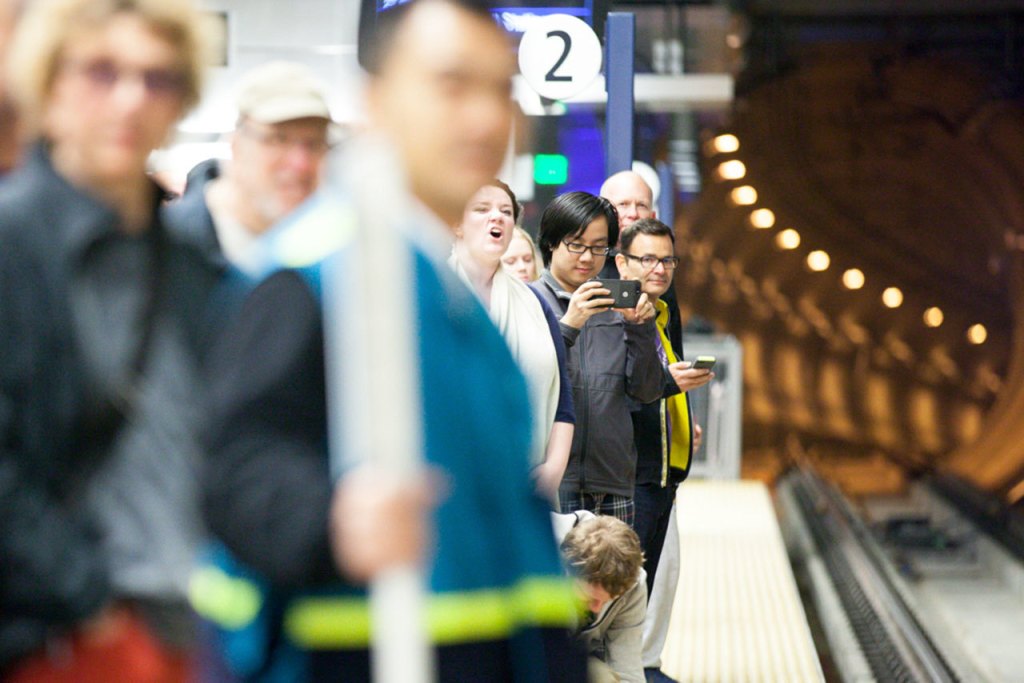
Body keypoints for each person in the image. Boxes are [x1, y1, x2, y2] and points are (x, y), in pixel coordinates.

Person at [201, 0, 587, 680]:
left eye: (501, 90)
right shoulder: (316, 273)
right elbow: (230, 464)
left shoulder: (448, 292)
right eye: (451, 85)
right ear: (375, 103)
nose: (484, 116)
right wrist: (328, 522)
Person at [0, 0, 215, 679]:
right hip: (60, 632)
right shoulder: (14, 245)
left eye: (158, 78)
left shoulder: (190, 264)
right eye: (101, 71)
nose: (130, 100)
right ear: (50, 85)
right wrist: (89, 600)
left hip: (187, 623)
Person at [615, 218, 712, 683]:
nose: (659, 268)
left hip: (662, 479)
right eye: (647, 259)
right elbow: (622, 390)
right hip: (630, 477)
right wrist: (670, 383)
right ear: (622, 263)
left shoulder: (661, 313)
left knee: (643, 594)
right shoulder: (613, 316)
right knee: (620, 595)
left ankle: (635, 671)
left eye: (667, 259)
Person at [532, 191, 664, 526]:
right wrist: (569, 326)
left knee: (618, 578)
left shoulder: (616, 307)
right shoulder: (529, 302)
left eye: (598, 246)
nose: (587, 257)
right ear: (550, 243)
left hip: (613, 482)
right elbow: (527, 380)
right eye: (576, 244)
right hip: (553, 479)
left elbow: (646, 391)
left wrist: (641, 330)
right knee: (558, 579)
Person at [450, 180, 574, 500]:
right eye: (482, 209)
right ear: (457, 223)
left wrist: (553, 469)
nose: (498, 218)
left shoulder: (534, 304)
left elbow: (563, 402)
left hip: (526, 484)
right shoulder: (431, 291)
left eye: (506, 212)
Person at [164, 60, 334, 279]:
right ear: (236, 146)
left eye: (314, 144)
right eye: (278, 139)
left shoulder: (329, 256)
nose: (301, 163)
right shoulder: (170, 246)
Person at [554, 511, 647, 683]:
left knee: (602, 677)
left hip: (573, 655)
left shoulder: (634, 584)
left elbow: (628, 667)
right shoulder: (538, 562)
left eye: (608, 600)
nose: (597, 609)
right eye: (590, 597)